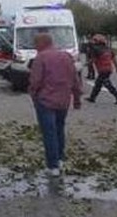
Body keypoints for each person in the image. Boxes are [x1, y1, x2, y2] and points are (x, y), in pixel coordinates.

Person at [28, 33, 82, 176]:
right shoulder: (66, 57)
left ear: (42, 43)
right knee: (59, 129)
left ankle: (53, 166)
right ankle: (60, 159)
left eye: (36, 43)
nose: (34, 46)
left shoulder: (41, 58)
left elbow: (35, 81)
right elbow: (75, 79)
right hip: (63, 101)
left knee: (49, 132)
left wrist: (33, 95)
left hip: (45, 101)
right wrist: (77, 98)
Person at [86, 34, 117, 104]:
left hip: (102, 70)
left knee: (107, 84)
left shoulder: (95, 49)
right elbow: (114, 59)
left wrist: (87, 63)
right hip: (108, 69)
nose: (93, 41)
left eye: (94, 40)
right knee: (98, 84)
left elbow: (94, 59)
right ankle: (92, 98)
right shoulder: (108, 49)